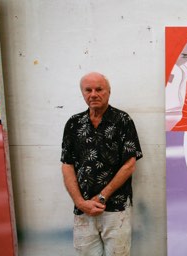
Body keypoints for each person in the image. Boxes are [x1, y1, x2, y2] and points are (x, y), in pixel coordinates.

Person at [60, 72, 143, 256]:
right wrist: (80, 202)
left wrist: (102, 197)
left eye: (99, 89)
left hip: (115, 208)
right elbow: (67, 165)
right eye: (88, 90)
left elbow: (129, 164)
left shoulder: (123, 121)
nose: (93, 94)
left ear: (108, 92)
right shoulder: (73, 124)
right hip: (83, 210)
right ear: (82, 93)